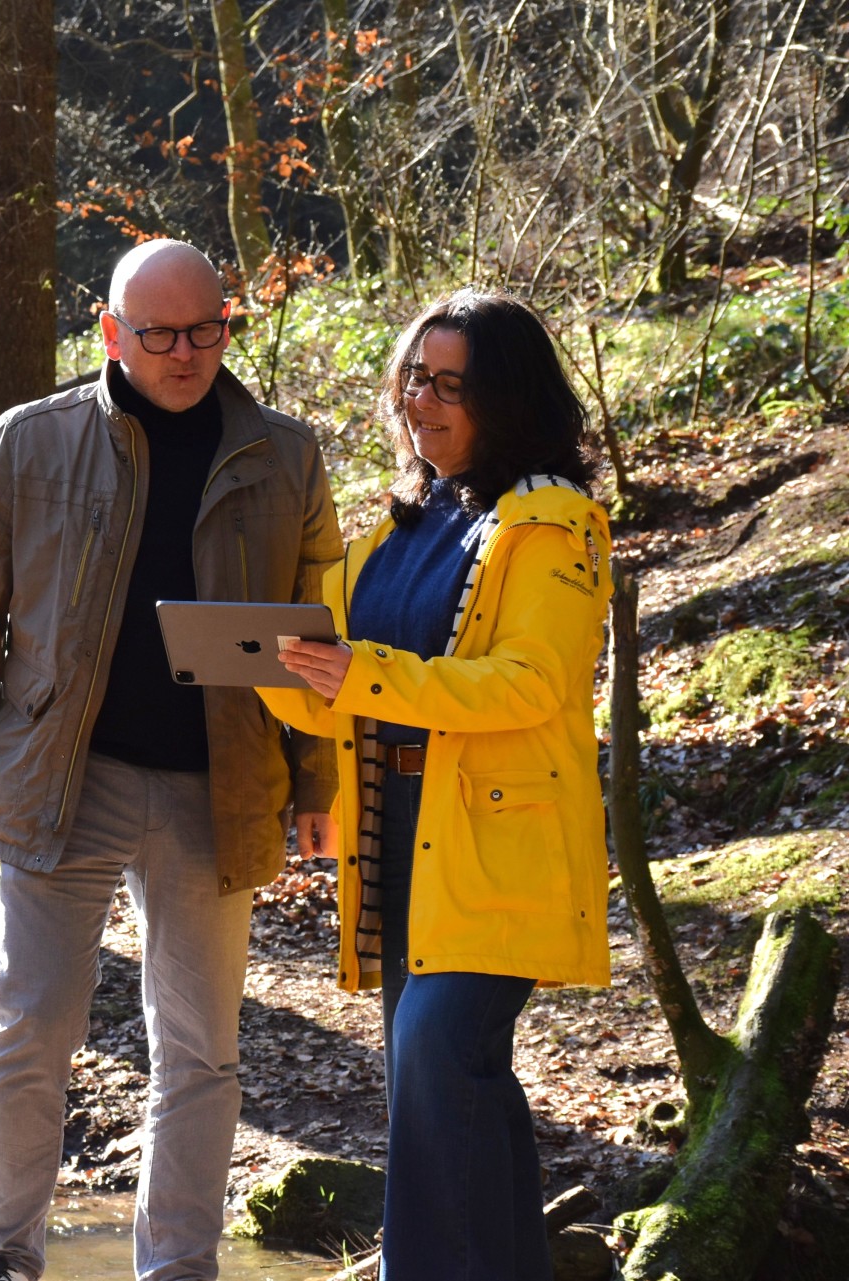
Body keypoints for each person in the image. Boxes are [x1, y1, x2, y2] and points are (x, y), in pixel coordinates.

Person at [0, 238, 344, 1281]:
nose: (186, 352)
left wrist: (318, 784)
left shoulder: (285, 454)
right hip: (64, 776)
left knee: (200, 1053)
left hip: (223, 782)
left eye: (207, 329)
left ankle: (179, 1269)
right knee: (30, 1033)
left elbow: (319, 636)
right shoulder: (30, 440)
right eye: (158, 333)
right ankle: (3, 1256)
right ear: (110, 332)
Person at [264, 289, 613, 1281]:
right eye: (416, 378)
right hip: (399, 838)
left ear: (506, 399)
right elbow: (336, 689)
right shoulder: (394, 532)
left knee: (433, 1059)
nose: (423, 403)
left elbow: (531, 684)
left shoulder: (553, 525)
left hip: (497, 847)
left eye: (450, 385)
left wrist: (362, 676)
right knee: (460, 1076)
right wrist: (270, 669)